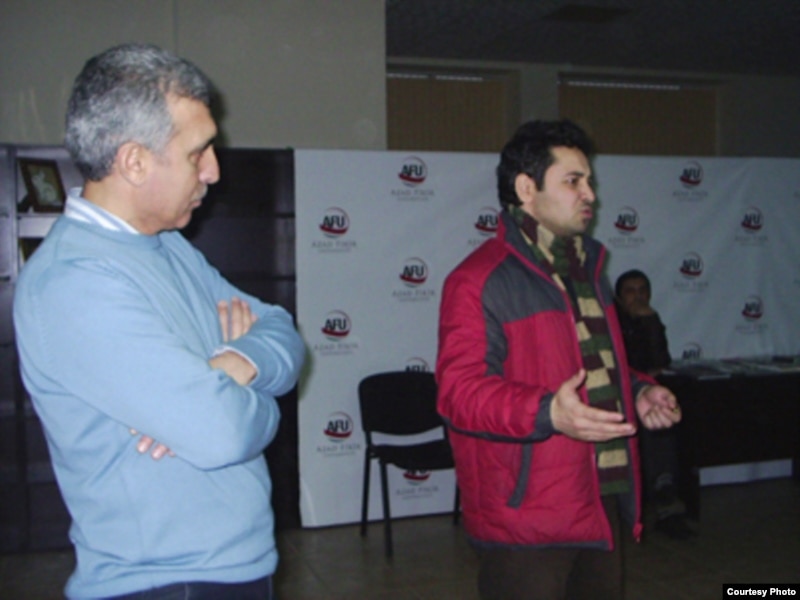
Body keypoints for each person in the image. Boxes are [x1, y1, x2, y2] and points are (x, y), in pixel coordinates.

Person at [13, 44, 305, 600]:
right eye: (198, 153)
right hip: (164, 583)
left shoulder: (168, 247)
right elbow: (223, 433)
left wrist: (237, 362)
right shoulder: (72, 282)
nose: (214, 170)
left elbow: (281, 329)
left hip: (231, 568)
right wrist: (261, 397)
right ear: (134, 162)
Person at [436, 119, 681, 600]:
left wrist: (638, 391)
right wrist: (548, 412)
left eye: (589, 181)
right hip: (527, 518)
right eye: (573, 181)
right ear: (527, 189)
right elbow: (458, 394)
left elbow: (591, 366)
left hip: (601, 497)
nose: (590, 194)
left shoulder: (588, 272)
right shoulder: (479, 280)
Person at [615, 269, 693, 540]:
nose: (637, 297)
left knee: (663, 422)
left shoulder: (650, 319)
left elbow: (660, 362)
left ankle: (667, 504)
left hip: (645, 396)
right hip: (616, 397)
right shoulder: (610, 321)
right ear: (619, 297)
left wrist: (648, 321)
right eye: (630, 291)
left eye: (642, 291)